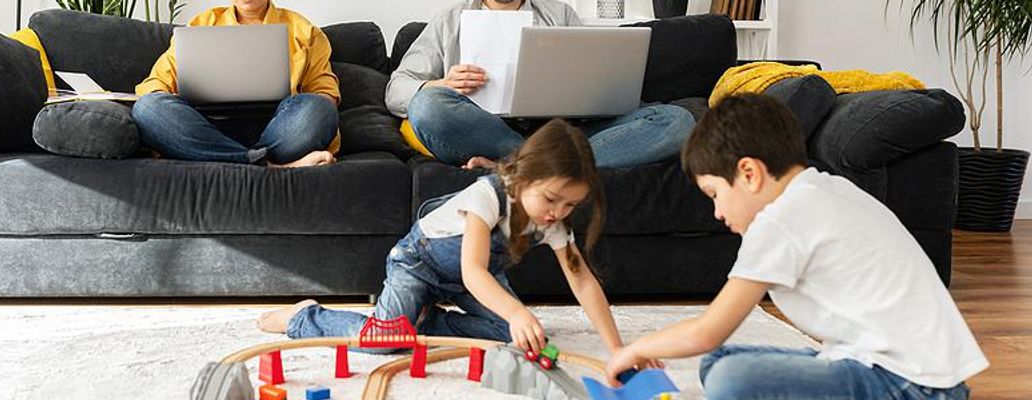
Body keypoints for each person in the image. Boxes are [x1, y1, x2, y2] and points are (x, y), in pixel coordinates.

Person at [604, 94, 988, 399]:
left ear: (749, 174)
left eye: (715, 194)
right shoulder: (823, 189)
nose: (717, 212)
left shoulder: (782, 220)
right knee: (720, 362)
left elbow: (707, 331)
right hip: (905, 371)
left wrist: (636, 349)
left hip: (911, 386)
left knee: (730, 379)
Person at [257, 119, 623, 355]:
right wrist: (516, 311)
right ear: (524, 176)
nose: (557, 213)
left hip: (468, 281)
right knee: (385, 343)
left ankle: (423, 322)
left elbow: (582, 281)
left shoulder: (553, 220)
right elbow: (474, 271)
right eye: (551, 199)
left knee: (511, 336)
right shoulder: (487, 195)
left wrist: (616, 347)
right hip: (419, 265)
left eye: (570, 205)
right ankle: (304, 318)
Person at [387, 0, 695, 170]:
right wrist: (442, 83)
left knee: (676, 121)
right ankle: (542, 163)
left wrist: (590, 89)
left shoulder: (559, 14)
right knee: (427, 106)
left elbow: (594, 77)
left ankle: (519, 166)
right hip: (487, 132)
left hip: (563, 129)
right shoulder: (448, 21)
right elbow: (397, 89)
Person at [131, 0, 340, 167]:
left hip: (279, 128)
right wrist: (172, 101)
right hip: (207, 126)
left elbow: (325, 91)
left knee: (321, 108)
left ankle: (229, 158)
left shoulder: (305, 30)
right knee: (147, 107)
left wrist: (317, 107)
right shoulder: (201, 25)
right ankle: (268, 165)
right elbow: (154, 84)